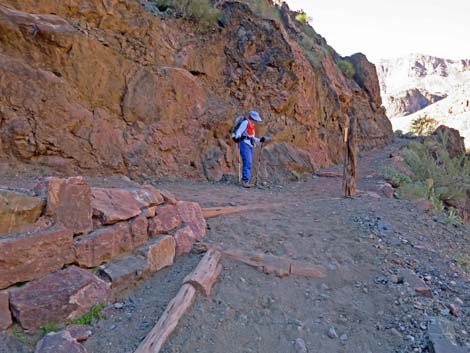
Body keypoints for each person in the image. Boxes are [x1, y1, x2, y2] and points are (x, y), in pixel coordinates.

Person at [233, 111, 266, 188]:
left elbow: (251, 137)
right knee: (248, 162)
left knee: (249, 162)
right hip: (244, 144)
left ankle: (246, 180)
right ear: (253, 118)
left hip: (249, 145)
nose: (257, 121)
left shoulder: (251, 125)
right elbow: (239, 132)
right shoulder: (245, 123)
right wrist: (238, 138)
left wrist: (259, 140)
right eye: (256, 119)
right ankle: (245, 181)